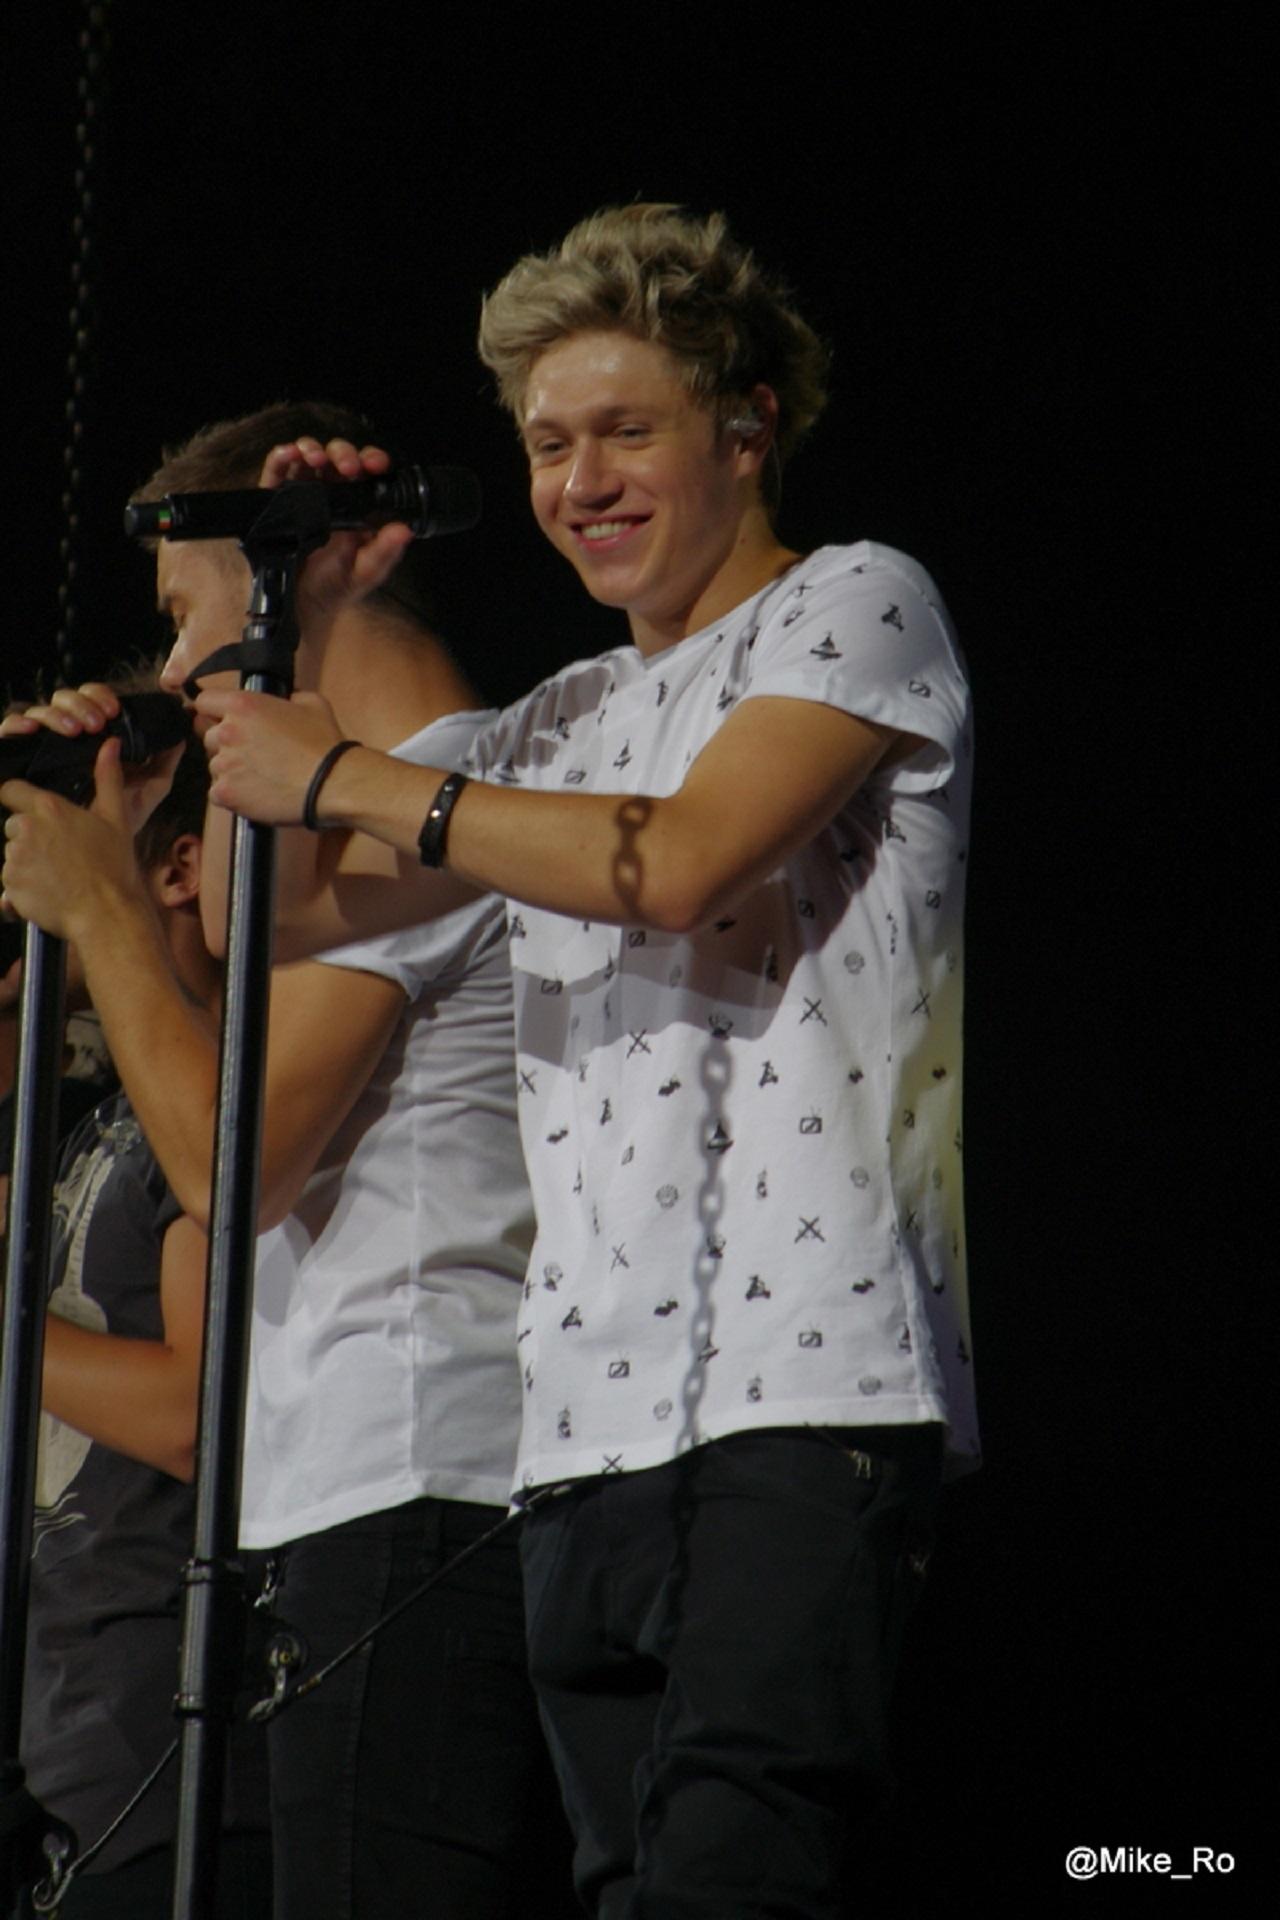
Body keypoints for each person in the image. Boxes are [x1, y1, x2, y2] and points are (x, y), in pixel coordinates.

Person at [8, 206, 978, 1916]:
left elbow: (681, 861)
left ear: (748, 425)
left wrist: (360, 779)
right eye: (545, 444)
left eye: (627, 431)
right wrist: (275, 619)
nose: (581, 479)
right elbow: (302, 919)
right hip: (580, 1437)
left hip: (801, 1391)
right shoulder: (557, 720)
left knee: (741, 1875)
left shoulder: (856, 602)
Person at [0, 404, 571, 1920]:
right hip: (346, 1494)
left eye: (188, 620)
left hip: (423, 1471)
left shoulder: (442, 785)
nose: (177, 676)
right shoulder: (342, 828)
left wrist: (112, 901)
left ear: (299, 576)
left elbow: (229, 1165)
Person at [8, 727, 272, 1919]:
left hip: (160, 1772)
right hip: (61, 1778)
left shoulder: (206, 1114)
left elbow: (185, 1415)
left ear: (174, 866)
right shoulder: (92, 1123)